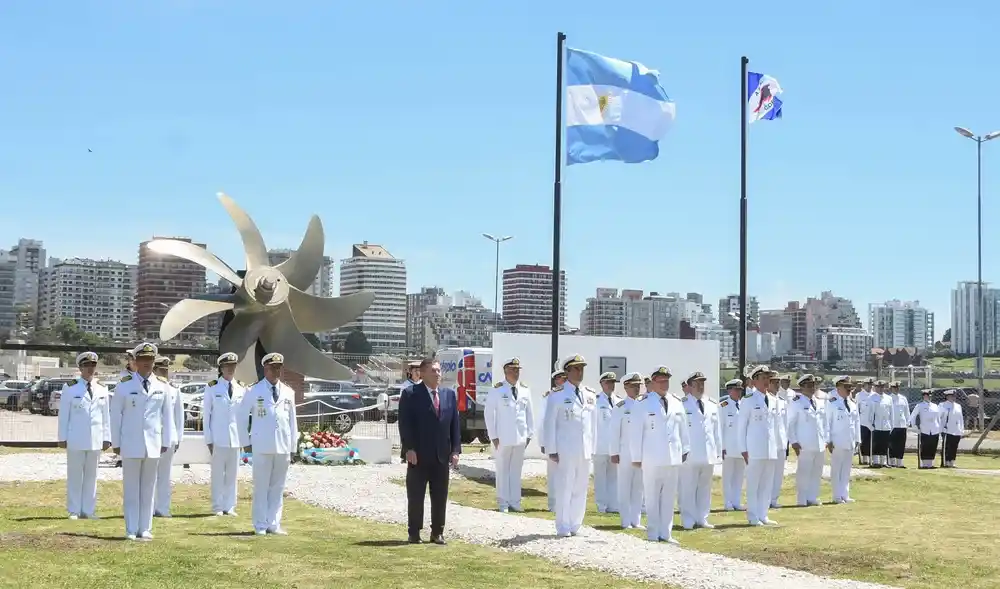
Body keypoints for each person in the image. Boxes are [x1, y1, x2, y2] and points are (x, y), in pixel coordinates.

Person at [110, 342, 174, 541]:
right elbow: (115, 415)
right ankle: (131, 528)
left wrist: (167, 440)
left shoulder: (162, 386)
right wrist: (116, 442)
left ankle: (145, 528)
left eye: (150, 359)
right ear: (136, 361)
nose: (147, 363)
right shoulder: (125, 384)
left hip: (153, 444)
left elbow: (167, 416)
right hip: (131, 442)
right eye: (143, 359)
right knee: (131, 488)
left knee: (148, 488)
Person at [398, 357, 461, 544]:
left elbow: (454, 425)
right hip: (418, 455)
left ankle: (437, 532)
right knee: (416, 496)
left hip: (441, 455)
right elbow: (405, 424)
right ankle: (414, 532)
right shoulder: (411, 394)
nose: (437, 373)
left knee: (440, 496)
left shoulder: (449, 395)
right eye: (433, 370)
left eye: (439, 370)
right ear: (422, 373)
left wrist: (455, 450)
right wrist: (408, 448)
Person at [239, 353, 297, 535]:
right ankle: (260, 525)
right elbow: (241, 417)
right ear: (265, 369)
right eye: (273, 368)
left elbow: (292, 422)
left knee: (278, 487)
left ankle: (274, 523)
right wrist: (245, 442)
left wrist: (293, 446)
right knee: (262, 486)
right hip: (262, 445)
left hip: (283, 445)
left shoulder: (288, 392)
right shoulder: (254, 391)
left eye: (279, 367)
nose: (276, 371)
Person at [630, 365, 687, 543]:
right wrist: (636, 457)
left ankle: (666, 533)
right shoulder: (643, 403)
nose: (664, 384)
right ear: (653, 382)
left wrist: (685, 449)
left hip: (672, 457)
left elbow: (682, 428)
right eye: (661, 381)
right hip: (652, 457)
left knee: (669, 497)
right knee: (652, 497)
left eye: (667, 380)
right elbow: (635, 432)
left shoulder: (677, 402)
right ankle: (653, 533)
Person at [543, 354, 598, 538]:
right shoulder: (557, 395)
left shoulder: (590, 394)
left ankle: (575, 523)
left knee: (581, 487)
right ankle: (563, 525)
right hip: (565, 449)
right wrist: (551, 449)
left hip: (585, 448)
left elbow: (593, 424)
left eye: (582, 368)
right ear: (567, 371)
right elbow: (549, 423)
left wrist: (594, 448)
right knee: (565, 486)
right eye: (576, 368)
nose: (580, 372)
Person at [57, 351, 112, 520]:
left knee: (91, 476)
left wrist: (106, 437)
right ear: (80, 368)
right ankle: (74, 510)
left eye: (93, 366)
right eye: (86, 366)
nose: (90, 369)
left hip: (95, 439)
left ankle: (88, 510)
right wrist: (62, 438)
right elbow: (64, 415)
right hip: (76, 438)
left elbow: (105, 416)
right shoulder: (70, 387)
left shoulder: (102, 388)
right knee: (75, 476)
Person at [484, 357, 533, 513]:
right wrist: (494, 436)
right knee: (503, 470)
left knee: (516, 470)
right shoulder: (497, 390)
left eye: (517, 370)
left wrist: (529, 434)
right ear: (505, 371)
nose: (516, 372)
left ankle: (515, 501)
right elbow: (489, 414)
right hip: (503, 437)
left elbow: (529, 414)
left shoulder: (525, 390)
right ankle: (503, 502)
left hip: (520, 437)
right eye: (513, 369)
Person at [737, 365, 782, 526]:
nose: (766, 382)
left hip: (770, 448)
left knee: (766, 483)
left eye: (767, 378)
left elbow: (775, 426)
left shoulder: (774, 400)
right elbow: (741, 427)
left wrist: (778, 446)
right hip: (754, 448)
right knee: (754, 484)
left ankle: (763, 514)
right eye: (763, 378)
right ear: (755, 381)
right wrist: (743, 449)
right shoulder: (748, 400)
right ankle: (753, 515)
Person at [203, 352, 247, 516]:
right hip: (218, 438)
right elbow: (206, 415)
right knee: (217, 474)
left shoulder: (242, 388)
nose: (230, 369)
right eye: (227, 366)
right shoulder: (212, 387)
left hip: (235, 438)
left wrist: (245, 437)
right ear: (221, 368)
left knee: (232, 474)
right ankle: (217, 506)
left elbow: (243, 416)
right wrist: (208, 439)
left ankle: (230, 506)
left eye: (233, 366)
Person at [679, 371, 720, 530]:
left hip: (707, 452)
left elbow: (716, 430)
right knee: (688, 487)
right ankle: (688, 518)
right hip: (690, 454)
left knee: (704, 487)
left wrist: (717, 449)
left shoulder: (711, 403)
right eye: (696, 384)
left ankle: (702, 517)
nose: (700, 386)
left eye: (702, 383)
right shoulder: (682, 404)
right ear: (689, 386)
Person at [609, 371, 645, 530]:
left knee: (638, 487)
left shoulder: (644, 404)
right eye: (633, 386)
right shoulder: (620, 407)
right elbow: (614, 431)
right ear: (625, 387)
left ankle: (636, 520)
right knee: (625, 486)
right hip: (625, 452)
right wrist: (614, 452)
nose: (637, 389)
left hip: (642, 453)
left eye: (638, 386)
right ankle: (625, 520)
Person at [787, 374, 826, 507]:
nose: (812, 388)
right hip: (804, 443)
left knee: (816, 471)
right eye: (809, 385)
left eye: (813, 385)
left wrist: (825, 439)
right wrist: (794, 441)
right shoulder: (796, 403)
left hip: (819, 443)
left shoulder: (819, 402)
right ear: (802, 387)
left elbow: (823, 423)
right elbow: (790, 424)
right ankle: (802, 499)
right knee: (804, 472)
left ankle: (812, 496)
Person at [152, 356, 184, 517]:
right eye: (161, 370)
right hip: (152, 437)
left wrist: (179, 437)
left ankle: (163, 508)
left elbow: (179, 416)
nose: (165, 373)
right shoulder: (151, 388)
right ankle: (149, 508)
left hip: (169, 437)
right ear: (154, 370)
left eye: (166, 370)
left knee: (164, 476)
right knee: (150, 475)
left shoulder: (173, 389)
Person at [825, 376, 861, 503]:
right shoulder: (832, 403)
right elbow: (827, 423)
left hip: (850, 440)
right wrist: (828, 440)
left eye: (849, 387)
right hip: (837, 441)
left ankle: (845, 494)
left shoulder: (853, 403)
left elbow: (856, 422)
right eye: (846, 387)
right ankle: (836, 496)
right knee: (836, 470)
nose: (849, 390)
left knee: (846, 469)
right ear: (838, 388)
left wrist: (858, 439)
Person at [538, 368, 567, 512]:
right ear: (556, 381)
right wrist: (543, 442)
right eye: (561, 379)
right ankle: (553, 504)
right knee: (553, 474)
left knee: (566, 475)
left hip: (566, 442)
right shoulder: (549, 397)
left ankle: (564, 503)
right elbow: (543, 421)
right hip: (552, 440)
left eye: (565, 378)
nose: (564, 381)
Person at [593, 371, 619, 513]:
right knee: (600, 478)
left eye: (612, 382)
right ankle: (602, 505)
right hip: (600, 445)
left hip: (614, 446)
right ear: (602, 384)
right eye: (607, 382)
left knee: (614, 477)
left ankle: (613, 504)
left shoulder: (618, 401)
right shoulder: (596, 401)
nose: (610, 385)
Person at [719, 378, 746, 511]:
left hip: (741, 447)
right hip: (728, 447)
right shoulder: (723, 406)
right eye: (736, 390)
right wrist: (722, 446)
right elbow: (720, 427)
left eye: (740, 390)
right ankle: (727, 502)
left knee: (739, 476)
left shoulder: (744, 404)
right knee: (728, 476)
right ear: (729, 390)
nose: (738, 392)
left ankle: (736, 501)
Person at [768, 373, 790, 508]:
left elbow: (785, 423)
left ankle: (774, 499)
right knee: (768, 474)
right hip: (769, 442)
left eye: (778, 382)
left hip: (781, 441)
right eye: (774, 382)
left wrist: (786, 441)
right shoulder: (766, 399)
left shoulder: (782, 401)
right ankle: (766, 499)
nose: (777, 385)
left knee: (778, 473)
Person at [395, 360, 422, 462]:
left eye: (419, 370)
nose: (417, 372)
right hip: (409, 414)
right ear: (410, 372)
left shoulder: (422, 383)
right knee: (407, 435)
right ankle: (404, 456)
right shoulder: (406, 385)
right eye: (415, 370)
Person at [865, 380, 893, 469]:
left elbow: (891, 413)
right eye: (878, 387)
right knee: (876, 444)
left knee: (884, 444)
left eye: (882, 387)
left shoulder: (889, 398)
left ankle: (883, 461)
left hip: (886, 425)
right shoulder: (871, 398)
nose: (880, 389)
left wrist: (891, 425)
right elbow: (868, 413)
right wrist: (870, 425)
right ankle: (875, 461)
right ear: (875, 388)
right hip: (876, 425)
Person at [909, 390, 941, 469]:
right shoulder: (920, 405)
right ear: (923, 396)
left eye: (930, 396)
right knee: (925, 446)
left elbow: (938, 418)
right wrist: (914, 426)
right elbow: (913, 416)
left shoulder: (935, 406)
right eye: (926, 395)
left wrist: (939, 428)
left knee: (933, 446)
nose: (928, 397)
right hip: (925, 429)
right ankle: (924, 464)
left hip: (934, 429)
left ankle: (930, 464)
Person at [939, 389, 965, 468]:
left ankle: (952, 461)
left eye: (954, 396)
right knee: (947, 446)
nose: (953, 398)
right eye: (951, 396)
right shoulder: (942, 405)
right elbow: (939, 417)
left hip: (956, 430)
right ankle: (946, 462)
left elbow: (960, 418)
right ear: (947, 397)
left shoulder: (958, 406)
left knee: (954, 446)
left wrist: (961, 429)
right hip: (947, 429)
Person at [888, 381, 910, 468]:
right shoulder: (889, 398)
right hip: (893, 424)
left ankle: (900, 461)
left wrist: (907, 422)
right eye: (894, 387)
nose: (896, 389)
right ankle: (892, 461)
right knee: (892, 444)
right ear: (891, 388)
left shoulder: (903, 398)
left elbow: (907, 411)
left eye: (897, 387)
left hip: (902, 424)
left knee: (901, 444)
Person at [855, 377, 875, 465]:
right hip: (862, 421)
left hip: (873, 421)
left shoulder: (875, 395)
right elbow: (857, 409)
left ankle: (872, 458)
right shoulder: (859, 395)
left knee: (872, 440)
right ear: (864, 385)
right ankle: (864, 458)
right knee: (863, 440)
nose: (869, 387)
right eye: (868, 385)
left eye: (871, 385)